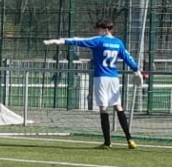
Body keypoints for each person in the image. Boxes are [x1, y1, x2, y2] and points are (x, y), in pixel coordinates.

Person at [45, 18, 141, 148]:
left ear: (105, 29)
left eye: (99, 29)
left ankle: (107, 143)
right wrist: (136, 71)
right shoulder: (118, 43)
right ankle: (130, 139)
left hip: (101, 77)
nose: (97, 31)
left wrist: (61, 41)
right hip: (114, 78)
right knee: (118, 107)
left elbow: (80, 41)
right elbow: (128, 58)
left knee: (103, 108)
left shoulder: (99, 41)